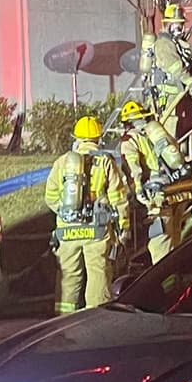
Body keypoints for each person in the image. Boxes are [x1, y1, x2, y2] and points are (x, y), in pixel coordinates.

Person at [45, 116, 130, 313]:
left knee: (69, 276)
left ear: (77, 138)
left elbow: (50, 196)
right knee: (98, 275)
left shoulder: (62, 163)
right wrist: (124, 228)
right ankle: (96, 318)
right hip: (97, 230)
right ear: (98, 138)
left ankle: (63, 320)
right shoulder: (105, 162)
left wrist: (67, 213)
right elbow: (119, 199)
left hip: (67, 232)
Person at [118, 100, 192, 263]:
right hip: (179, 193)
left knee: (161, 253)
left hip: (158, 201)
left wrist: (138, 191)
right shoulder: (160, 133)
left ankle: (167, 286)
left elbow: (134, 170)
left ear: (127, 122)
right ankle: (179, 282)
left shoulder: (129, 141)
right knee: (174, 245)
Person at [140, 4, 192, 139]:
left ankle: (183, 153)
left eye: (182, 24)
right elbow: (174, 66)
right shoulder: (163, 44)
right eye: (177, 24)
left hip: (180, 93)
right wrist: (188, 79)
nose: (181, 28)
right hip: (168, 96)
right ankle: (171, 157)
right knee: (170, 128)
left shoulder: (176, 43)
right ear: (168, 24)